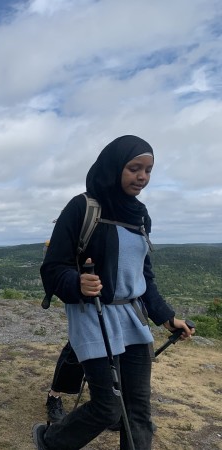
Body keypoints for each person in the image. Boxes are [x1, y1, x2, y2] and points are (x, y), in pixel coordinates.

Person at [33, 135, 194, 450]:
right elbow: (53, 268)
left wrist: (166, 317)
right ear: (114, 166)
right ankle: (50, 441)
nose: (142, 177)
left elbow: (143, 276)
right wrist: (77, 283)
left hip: (132, 319)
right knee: (108, 408)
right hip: (92, 316)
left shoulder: (139, 215)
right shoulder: (82, 207)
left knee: (138, 411)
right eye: (134, 168)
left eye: (148, 170)